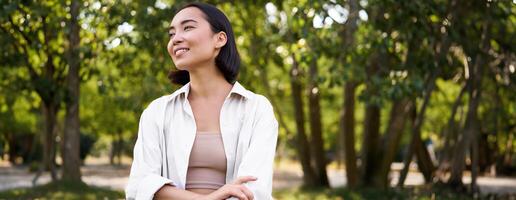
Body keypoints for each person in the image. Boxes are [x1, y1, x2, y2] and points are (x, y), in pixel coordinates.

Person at [125, 2, 278, 200]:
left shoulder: (256, 109)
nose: (175, 39)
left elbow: (253, 191)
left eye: (187, 27)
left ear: (220, 39)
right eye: (171, 34)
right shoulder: (157, 111)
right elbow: (139, 186)